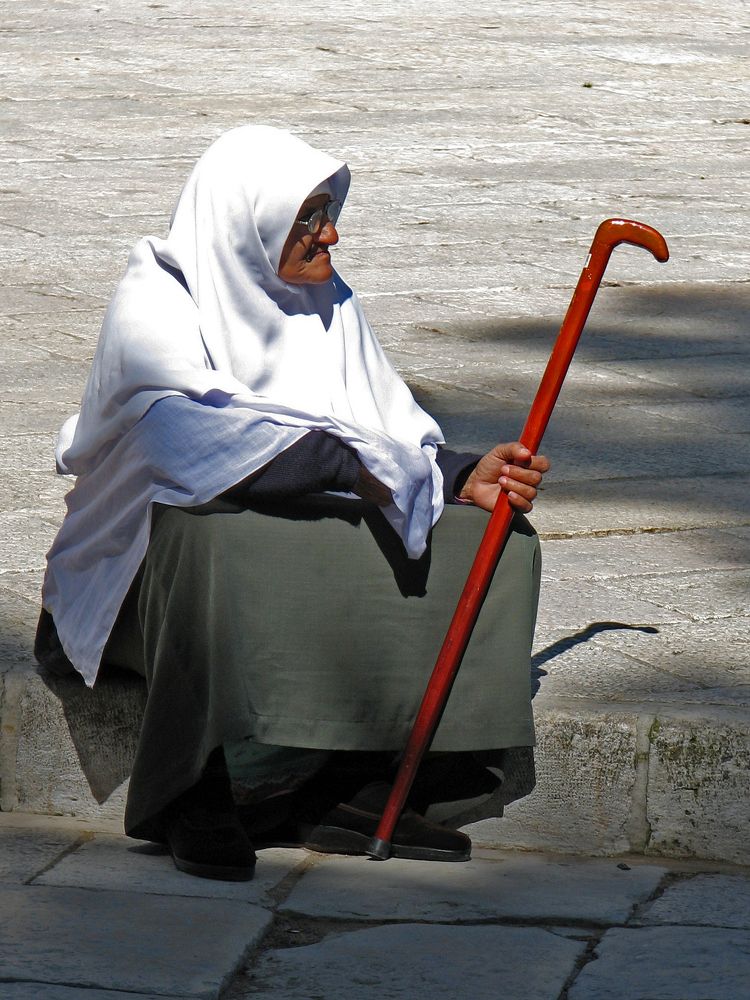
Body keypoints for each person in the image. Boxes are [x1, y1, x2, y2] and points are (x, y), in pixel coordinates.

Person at [36, 125, 549, 882]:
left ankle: (368, 779)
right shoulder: (155, 302)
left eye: (328, 213)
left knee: (493, 543)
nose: (329, 235)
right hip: (141, 585)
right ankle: (194, 789)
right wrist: (352, 464)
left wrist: (458, 474)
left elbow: (386, 432)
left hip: (287, 528)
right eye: (308, 219)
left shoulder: (328, 302)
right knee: (209, 539)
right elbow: (186, 447)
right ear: (249, 223)